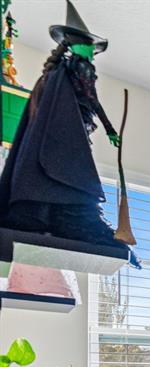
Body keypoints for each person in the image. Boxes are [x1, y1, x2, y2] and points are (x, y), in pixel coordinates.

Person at [0, 1, 137, 263]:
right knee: (69, 164)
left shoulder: (58, 76)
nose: (92, 53)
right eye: (89, 47)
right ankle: (64, 213)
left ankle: (53, 211)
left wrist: (107, 129)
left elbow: (89, 101)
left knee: (66, 162)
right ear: (78, 44)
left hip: (74, 126)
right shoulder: (72, 71)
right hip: (69, 127)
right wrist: (108, 128)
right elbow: (92, 99)